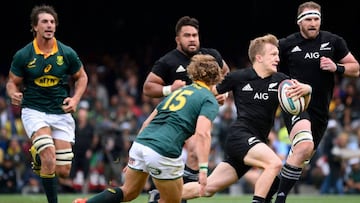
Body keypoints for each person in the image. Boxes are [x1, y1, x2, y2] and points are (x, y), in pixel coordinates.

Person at [72, 54, 224, 203]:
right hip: (163, 150)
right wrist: (203, 170)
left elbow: (146, 123)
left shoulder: (179, 92)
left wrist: (135, 156)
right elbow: (203, 134)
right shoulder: (208, 100)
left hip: (141, 143)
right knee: (173, 200)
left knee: (128, 192)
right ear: (216, 76)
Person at [180, 34, 312, 203]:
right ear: (259, 57)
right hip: (240, 136)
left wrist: (307, 90)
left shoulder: (282, 81)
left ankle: (161, 197)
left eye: (278, 54)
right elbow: (207, 92)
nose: (278, 58)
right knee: (274, 164)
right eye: (273, 54)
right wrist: (208, 98)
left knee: (207, 188)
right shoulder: (239, 77)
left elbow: (301, 106)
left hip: (256, 142)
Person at [265, 2, 360, 203]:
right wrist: (282, 82)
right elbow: (266, 64)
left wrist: (337, 67)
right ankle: (280, 199)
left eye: (316, 19)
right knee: (303, 146)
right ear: (299, 22)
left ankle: (267, 194)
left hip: (321, 110)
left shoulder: (333, 41)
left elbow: (356, 68)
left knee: (301, 157)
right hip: (296, 104)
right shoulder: (287, 44)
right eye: (308, 19)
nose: (313, 23)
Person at [6, 4, 88, 203]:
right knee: (49, 157)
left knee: (63, 171)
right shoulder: (24, 55)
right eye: (44, 21)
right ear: (35, 27)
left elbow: (82, 77)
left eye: (52, 22)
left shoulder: (67, 53)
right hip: (34, 110)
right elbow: (11, 82)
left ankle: (37, 155)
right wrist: (12, 93)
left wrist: (75, 99)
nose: (49, 25)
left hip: (60, 112)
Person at [142, 15, 229, 202]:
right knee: (190, 152)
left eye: (195, 35)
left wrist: (224, 93)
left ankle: (172, 196)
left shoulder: (210, 56)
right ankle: (167, 194)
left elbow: (226, 74)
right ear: (177, 39)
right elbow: (148, 87)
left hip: (201, 114)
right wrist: (169, 89)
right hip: (174, 118)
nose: (192, 39)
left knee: (194, 154)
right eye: (187, 35)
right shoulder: (168, 61)